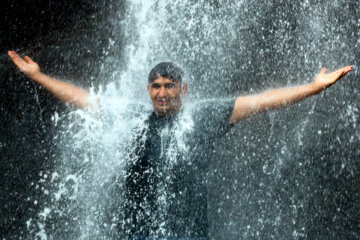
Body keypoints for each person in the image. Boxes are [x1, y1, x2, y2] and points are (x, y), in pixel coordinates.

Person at [7, 50, 353, 239]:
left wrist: (313, 87)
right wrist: (38, 77)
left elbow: (262, 100)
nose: (162, 92)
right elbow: (84, 100)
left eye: (169, 85)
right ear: (148, 90)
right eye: (155, 85)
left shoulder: (204, 117)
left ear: (183, 89)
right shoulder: (133, 119)